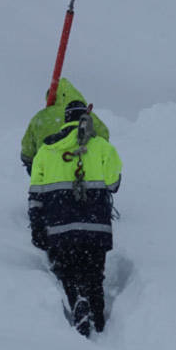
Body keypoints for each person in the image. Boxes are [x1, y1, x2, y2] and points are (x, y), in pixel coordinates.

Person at [28, 100, 121, 337]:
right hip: (95, 227)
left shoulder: (46, 150)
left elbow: (35, 195)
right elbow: (113, 184)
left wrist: (37, 227)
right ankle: (98, 320)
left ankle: (77, 300)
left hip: (60, 229)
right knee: (94, 275)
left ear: (66, 119)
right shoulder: (102, 147)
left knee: (68, 273)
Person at [20, 78, 109, 176]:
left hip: (49, 176)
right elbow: (104, 139)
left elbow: (27, 152)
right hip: (85, 174)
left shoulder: (40, 118)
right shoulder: (89, 116)